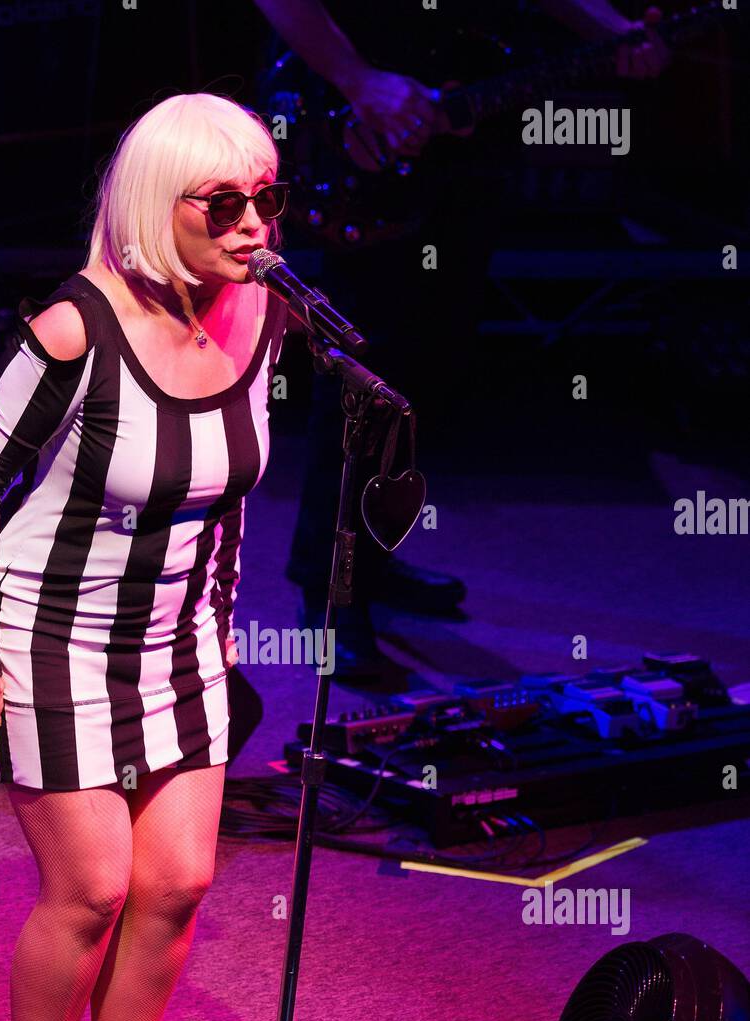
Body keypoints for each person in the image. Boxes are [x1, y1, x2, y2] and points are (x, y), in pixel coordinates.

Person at [0, 92, 289, 1021]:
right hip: (53, 633)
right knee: (89, 888)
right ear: (156, 204)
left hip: (180, 644)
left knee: (179, 883)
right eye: (224, 203)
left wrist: (220, 638)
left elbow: (229, 505)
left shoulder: (257, 321)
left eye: (266, 200)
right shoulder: (72, 328)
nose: (252, 227)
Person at [253, 0, 669, 684]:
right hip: (363, 119)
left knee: (431, 360)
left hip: (463, 128)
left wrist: (614, 31)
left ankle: (373, 560)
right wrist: (359, 80)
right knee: (373, 370)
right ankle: (333, 592)